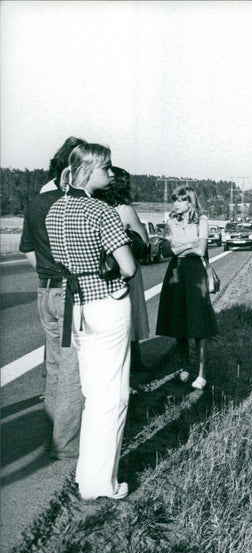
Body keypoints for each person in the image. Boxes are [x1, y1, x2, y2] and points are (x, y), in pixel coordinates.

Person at [45, 142, 137, 500]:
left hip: (78, 305)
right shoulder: (102, 211)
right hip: (109, 303)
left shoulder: (55, 211)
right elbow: (128, 266)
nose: (111, 174)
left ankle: (87, 476)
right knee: (111, 397)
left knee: (91, 393)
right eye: (106, 168)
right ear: (87, 171)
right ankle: (102, 484)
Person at [18, 137, 86, 459]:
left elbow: (28, 251)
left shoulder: (36, 203)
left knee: (55, 367)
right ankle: (67, 444)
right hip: (68, 292)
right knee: (72, 367)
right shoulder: (73, 205)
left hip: (44, 289)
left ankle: (52, 436)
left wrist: (46, 273)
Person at [156, 186, 218, 390]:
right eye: (174, 200)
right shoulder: (170, 222)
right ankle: (185, 366)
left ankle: (202, 373)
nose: (176, 203)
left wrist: (179, 248)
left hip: (195, 273)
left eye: (180, 200)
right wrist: (187, 245)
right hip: (176, 272)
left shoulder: (202, 220)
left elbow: (200, 250)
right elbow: (166, 251)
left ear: (190, 202)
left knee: (199, 324)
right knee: (178, 322)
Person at [96, 166, 151, 371]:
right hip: (124, 269)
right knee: (130, 315)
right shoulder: (124, 211)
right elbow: (144, 244)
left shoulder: (93, 207)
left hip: (99, 273)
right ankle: (133, 362)